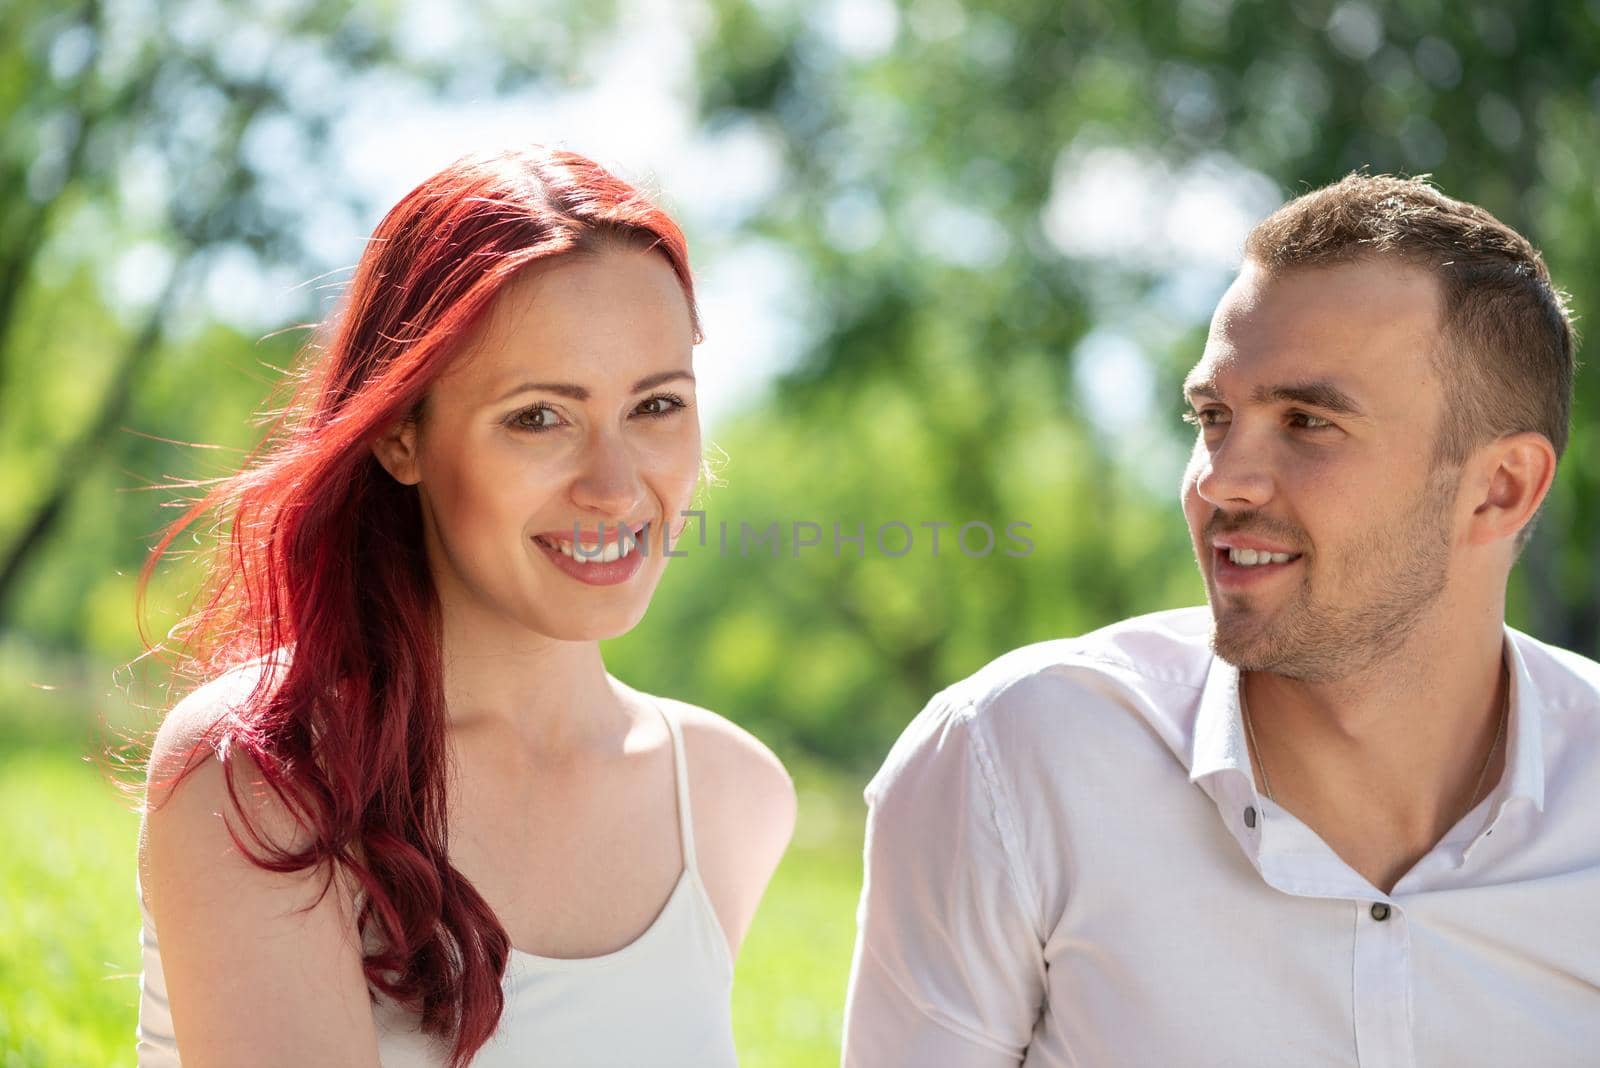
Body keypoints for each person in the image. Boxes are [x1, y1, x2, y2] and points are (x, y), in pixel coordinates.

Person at [843, 173, 1600, 1066]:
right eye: (1213, 416)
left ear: (1499, 490)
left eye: (1308, 422)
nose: (1218, 480)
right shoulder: (1010, 759)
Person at [135, 147, 795, 1067]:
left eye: (655, 406)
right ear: (402, 435)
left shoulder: (731, 796)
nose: (614, 487)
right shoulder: (266, 766)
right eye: (538, 416)